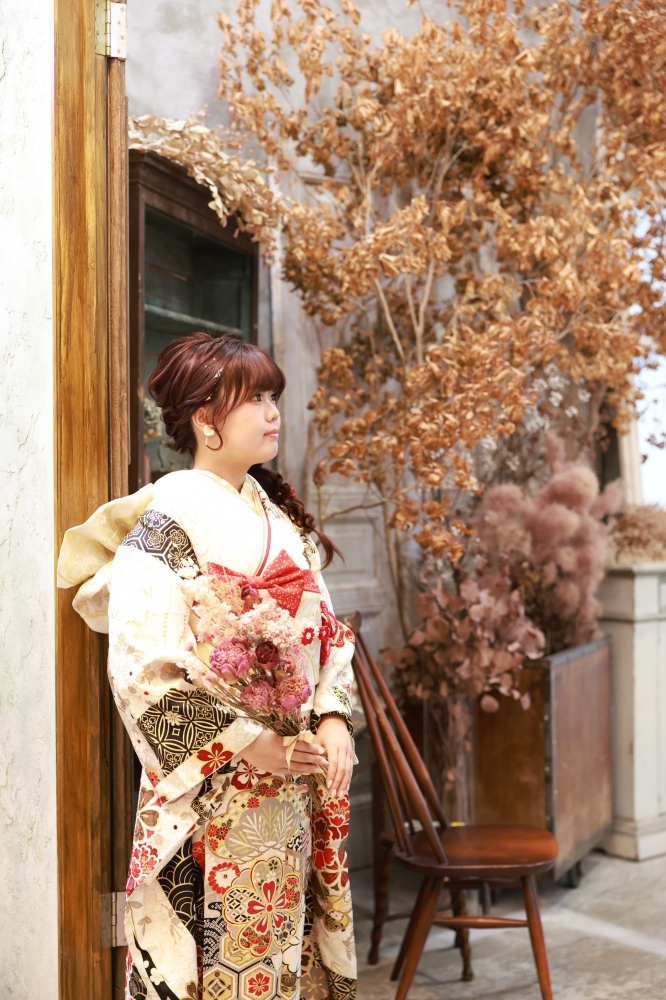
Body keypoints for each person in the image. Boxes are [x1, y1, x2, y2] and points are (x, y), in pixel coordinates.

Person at [57, 332, 357, 1000]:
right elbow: (141, 669)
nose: (272, 412)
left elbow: (330, 634)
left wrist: (333, 716)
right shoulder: (167, 520)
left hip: (294, 783)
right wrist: (252, 742)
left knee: (284, 960)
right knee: (216, 966)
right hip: (217, 790)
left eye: (272, 396)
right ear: (205, 419)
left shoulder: (280, 519)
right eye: (255, 399)